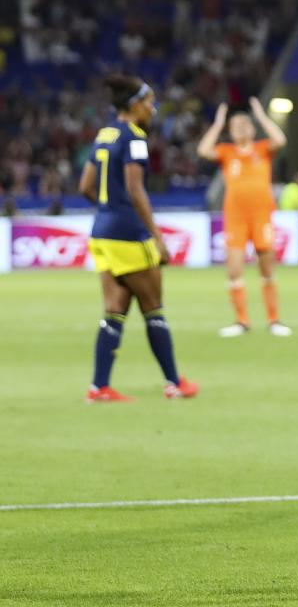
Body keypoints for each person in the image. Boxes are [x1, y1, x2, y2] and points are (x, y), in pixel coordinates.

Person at [78, 73, 199, 403]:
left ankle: (99, 386)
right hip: (129, 234)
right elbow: (135, 189)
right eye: (148, 102)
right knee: (153, 308)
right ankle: (174, 382)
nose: (153, 108)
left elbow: (85, 187)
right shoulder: (133, 138)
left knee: (115, 309)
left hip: (101, 232)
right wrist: (157, 237)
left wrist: (108, 209)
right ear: (134, 105)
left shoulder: (104, 134)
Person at [197, 97, 290, 337]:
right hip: (236, 218)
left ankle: (274, 320)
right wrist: (217, 124)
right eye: (234, 126)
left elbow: (280, 140)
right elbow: (203, 150)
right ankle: (242, 321)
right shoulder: (227, 152)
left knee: (267, 269)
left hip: (261, 216)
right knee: (234, 270)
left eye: (244, 125)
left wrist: (261, 117)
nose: (239, 129)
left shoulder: (262, 149)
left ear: (251, 128)